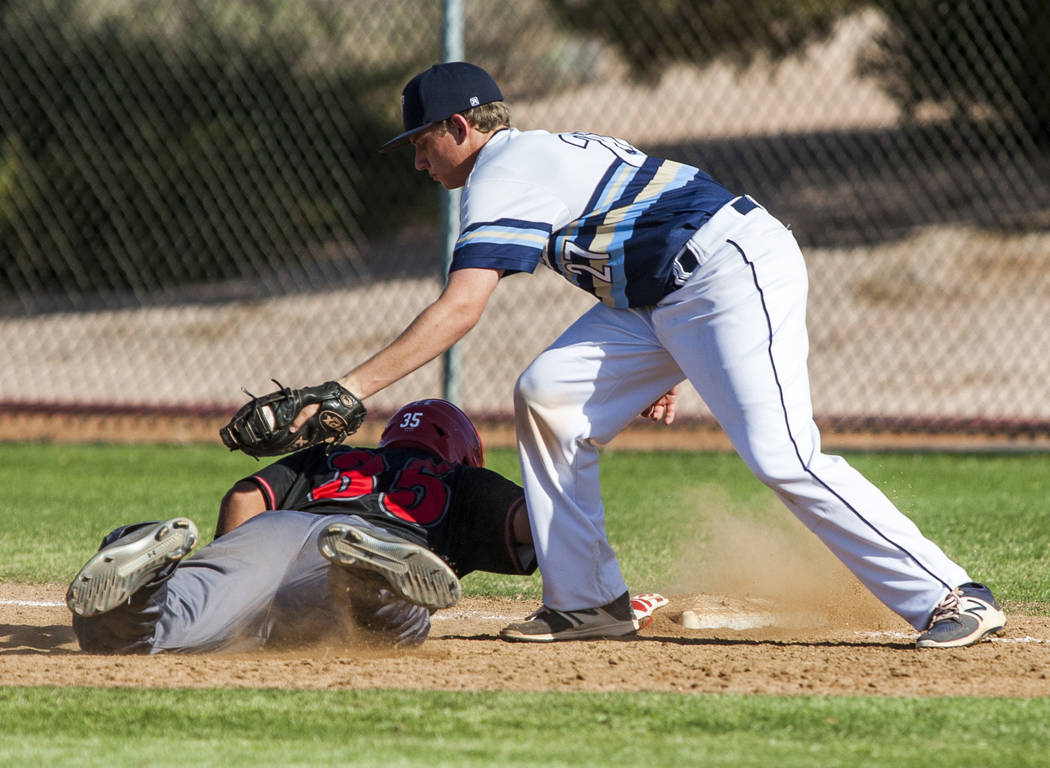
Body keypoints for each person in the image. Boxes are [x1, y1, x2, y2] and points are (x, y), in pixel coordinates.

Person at [288, 61, 1005, 649]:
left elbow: (462, 307)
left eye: (422, 140)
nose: (417, 159)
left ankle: (953, 594)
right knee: (550, 393)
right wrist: (658, 357)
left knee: (781, 453)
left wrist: (349, 387)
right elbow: (631, 230)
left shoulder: (501, 170)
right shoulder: (536, 157)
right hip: (663, 297)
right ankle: (588, 602)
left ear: (461, 127)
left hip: (729, 270)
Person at [66, 399, 539, 652]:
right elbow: (532, 523)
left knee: (147, 632)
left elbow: (246, 496)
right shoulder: (461, 478)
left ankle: (144, 584)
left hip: (272, 531)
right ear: (461, 451)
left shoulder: (330, 457)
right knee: (387, 629)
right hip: (356, 550)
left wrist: (245, 576)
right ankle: (374, 583)